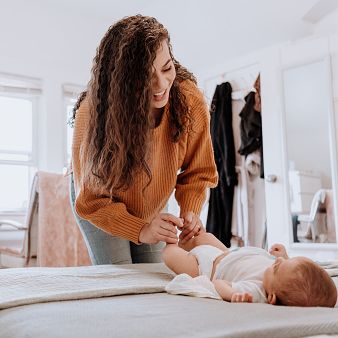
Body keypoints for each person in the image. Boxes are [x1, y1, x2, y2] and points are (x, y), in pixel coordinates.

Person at [68, 14, 218, 265]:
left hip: (151, 198)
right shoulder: (93, 113)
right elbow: (92, 201)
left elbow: (198, 171)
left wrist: (190, 210)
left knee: (154, 274)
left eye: (167, 68)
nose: (161, 85)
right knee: (121, 278)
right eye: (145, 77)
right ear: (123, 81)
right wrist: (141, 230)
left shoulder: (189, 102)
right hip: (100, 199)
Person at [162, 233, 337, 307]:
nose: (278, 261)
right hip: (227, 253)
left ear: (272, 298)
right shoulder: (282, 276)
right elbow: (290, 270)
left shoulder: (255, 291)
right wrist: (285, 257)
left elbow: (218, 284)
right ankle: (184, 240)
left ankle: (169, 240)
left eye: (277, 267)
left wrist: (231, 294)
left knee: (169, 255)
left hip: (207, 267)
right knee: (203, 237)